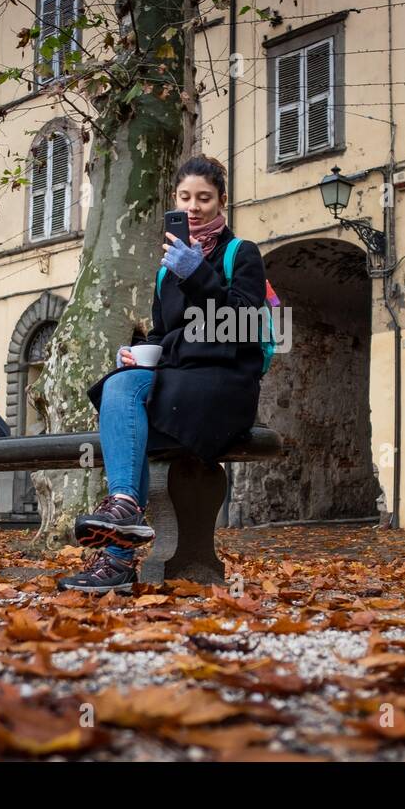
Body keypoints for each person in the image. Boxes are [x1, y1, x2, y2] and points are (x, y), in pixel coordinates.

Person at [57, 155, 268, 593]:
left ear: (222, 202)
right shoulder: (164, 271)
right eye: (185, 197)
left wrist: (199, 275)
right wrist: (140, 352)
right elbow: (163, 333)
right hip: (177, 382)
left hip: (223, 387)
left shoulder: (240, 254)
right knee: (119, 383)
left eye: (204, 198)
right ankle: (123, 520)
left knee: (133, 412)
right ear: (175, 199)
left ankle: (117, 554)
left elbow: (242, 323)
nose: (193, 207)